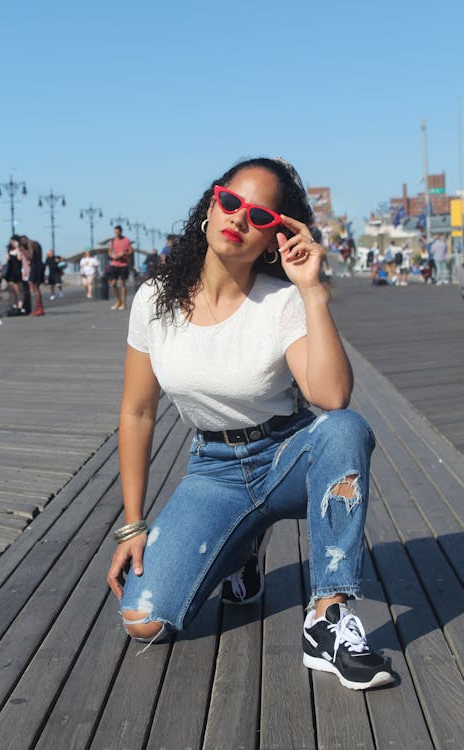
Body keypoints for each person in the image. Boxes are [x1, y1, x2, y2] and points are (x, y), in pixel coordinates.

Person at [107, 157, 395, 691]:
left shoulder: (282, 301)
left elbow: (332, 396)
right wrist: (132, 523)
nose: (239, 218)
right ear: (209, 207)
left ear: (273, 238)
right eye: (231, 201)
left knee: (344, 428)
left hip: (288, 455)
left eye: (260, 216)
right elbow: (136, 411)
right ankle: (242, 548)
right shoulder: (153, 300)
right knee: (143, 619)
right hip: (214, 469)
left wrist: (312, 289)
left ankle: (327, 616)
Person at [108, 225, 134, 310]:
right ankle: (118, 300)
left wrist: (124, 254)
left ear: (121, 232)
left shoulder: (126, 240)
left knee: (123, 284)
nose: (116, 234)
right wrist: (113, 256)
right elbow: (109, 251)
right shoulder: (113, 240)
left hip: (123, 265)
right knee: (113, 283)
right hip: (115, 264)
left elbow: (131, 251)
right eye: (115, 232)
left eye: (117, 232)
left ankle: (123, 302)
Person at [19, 235, 45, 315]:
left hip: (36, 265)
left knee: (34, 286)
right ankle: (39, 307)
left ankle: (39, 308)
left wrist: (23, 251)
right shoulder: (36, 243)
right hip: (39, 265)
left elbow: (30, 256)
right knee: (35, 286)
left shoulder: (30, 244)